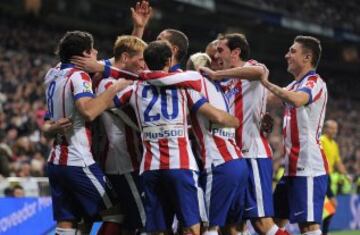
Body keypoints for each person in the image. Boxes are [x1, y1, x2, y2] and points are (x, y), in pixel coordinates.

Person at [114, 40, 240, 234]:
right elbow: (216, 116)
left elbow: (110, 105)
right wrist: (234, 121)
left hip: (150, 166)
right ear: (169, 59)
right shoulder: (185, 88)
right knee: (191, 227)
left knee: (157, 229)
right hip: (180, 166)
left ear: (146, 61)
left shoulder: (133, 89)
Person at [142, 51, 249, 234]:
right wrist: (234, 121)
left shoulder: (194, 81)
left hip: (218, 163)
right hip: (237, 161)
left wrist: (137, 73)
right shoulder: (218, 87)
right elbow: (221, 120)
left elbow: (159, 79)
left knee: (208, 227)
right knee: (233, 229)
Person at [44, 31, 131, 235]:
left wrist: (136, 32)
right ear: (84, 54)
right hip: (78, 160)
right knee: (115, 212)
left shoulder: (52, 73)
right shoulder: (79, 75)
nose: (97, 52)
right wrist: (115, 88)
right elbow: (89, 111)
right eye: (92, 50)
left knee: (67, 222)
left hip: (56, 161)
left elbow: (112, 62)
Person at [200, 33, 284, 235]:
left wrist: (216, 75)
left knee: (262, 224)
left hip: (252, 154)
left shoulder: (251, 67)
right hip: (230, 159)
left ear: (236, 52)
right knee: (232, 225)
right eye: (212, 54)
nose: (215, 58)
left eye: (220, 51)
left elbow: (258, 72)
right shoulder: (219, 83)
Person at [261, 35, 328, 235]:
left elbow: (298, 100)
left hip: (308, 166)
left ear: (307, 57)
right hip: (291, 167)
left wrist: (263, 80)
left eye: (292, 51)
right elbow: (270, 99)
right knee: (272, 222)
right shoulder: (293, 85)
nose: (287, 55)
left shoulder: (315, 82)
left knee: (308, 226)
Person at [95, 35, 147, 235]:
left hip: (127, 161)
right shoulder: (109, 84)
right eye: (141, 60)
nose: (144, 65)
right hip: (124, 163)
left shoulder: (116, 79)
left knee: (122, 219)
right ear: (125, 57)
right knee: (144, 221)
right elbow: (138, 122)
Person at [320, 120, 350, 235]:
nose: (335, 131)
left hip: (328, 177)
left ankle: (320, 230)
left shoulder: (334, 144)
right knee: (332, 204)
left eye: (336, 128)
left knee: (329, 206)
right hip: (321, 175)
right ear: (326, 129)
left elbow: (338, 162)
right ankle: (322, 231)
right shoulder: (321, 140)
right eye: (332, 128)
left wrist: (346, 175)